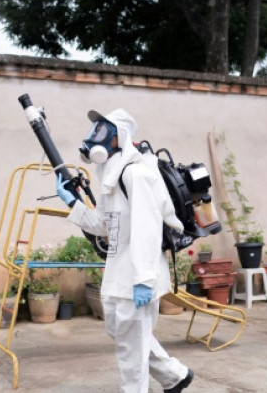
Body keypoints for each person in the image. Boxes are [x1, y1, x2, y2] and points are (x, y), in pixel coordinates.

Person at [56, 108, 194, 393]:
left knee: (131, 353)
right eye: (96, 131)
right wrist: (74, 204)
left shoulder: (136, 174)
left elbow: (148, 228)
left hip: (137, 277)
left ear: (121, 136)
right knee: (124, 336)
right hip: (119, 275)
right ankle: (175, 375)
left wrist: (143, 279)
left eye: (103, 131)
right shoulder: (112, 175)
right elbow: (106, 225)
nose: (96, 137)